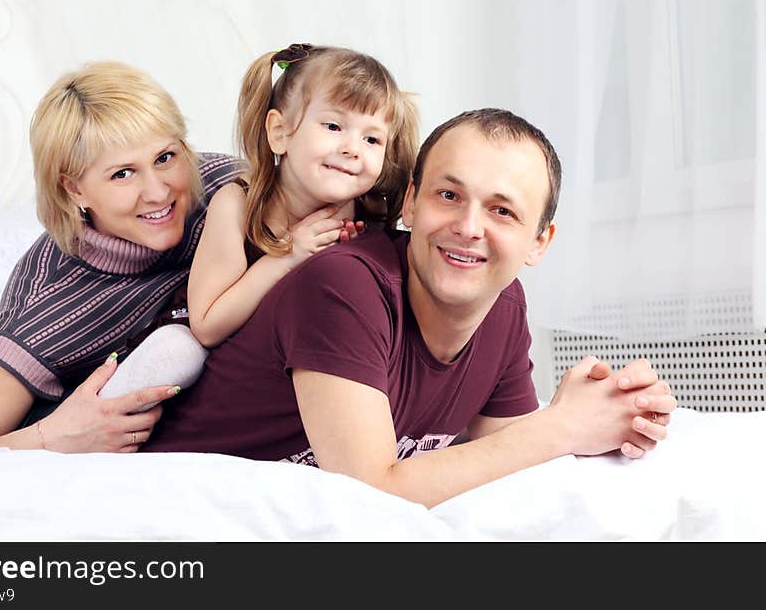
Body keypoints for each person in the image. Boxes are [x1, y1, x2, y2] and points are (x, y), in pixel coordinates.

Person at [142, 108, 678, 508]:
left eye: (502, 210)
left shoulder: (504, 305)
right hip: (169, 512)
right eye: (449, 196)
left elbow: (500, 454)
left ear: (540, 242)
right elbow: (370, 492)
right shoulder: (343, 285)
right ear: (410, 201)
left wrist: (597, 414)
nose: (469, 227)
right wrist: (561, 428)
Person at [0, 60, 243, 456]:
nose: (157, 191)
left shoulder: (224, 188)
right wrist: (55, 438)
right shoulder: (48, 302)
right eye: (122, 174)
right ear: (74, 189)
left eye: (165, 157)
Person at [186, 43, 417, 348]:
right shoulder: (237, 205)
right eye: (333, 126)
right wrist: (290, 255)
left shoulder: (370, 217)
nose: (353, 148)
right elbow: (206, 325)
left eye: (371, 138)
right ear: (280, 132)